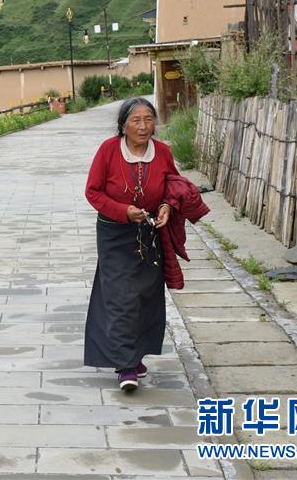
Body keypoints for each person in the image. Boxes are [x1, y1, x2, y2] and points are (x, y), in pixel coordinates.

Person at [84, 97, 179, 392]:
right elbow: (93, 192)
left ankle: (135, 355)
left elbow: (174, 187)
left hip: (149, 234)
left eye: (148, 119)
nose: (142, 126)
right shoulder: (109, 150)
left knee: (145, 296)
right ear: (123, 125)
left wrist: (166, 207)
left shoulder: (162, 152)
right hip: (114, 234)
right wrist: (122, 211)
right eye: (136, 120)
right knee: (120, 297)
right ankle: (125, 365)